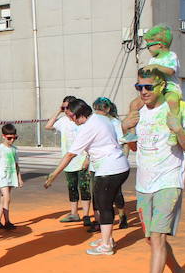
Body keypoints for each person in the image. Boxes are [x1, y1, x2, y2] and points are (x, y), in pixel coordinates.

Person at [122, 67, 185, 273]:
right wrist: (126, 128)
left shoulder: (181, 109)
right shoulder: (139, 111)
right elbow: (135, 146)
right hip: (144, 184)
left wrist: (178, 130)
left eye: (148, 87)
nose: (143, 91)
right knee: (150, 239)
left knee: (157, 238)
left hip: (169, 181)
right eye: (139, 87)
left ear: (161, 87)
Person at [44, 99, 130, 255]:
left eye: (71, 116)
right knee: (104, 204)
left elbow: (70, 154)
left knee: (104, 207)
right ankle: (107, 239)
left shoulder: (88, 128)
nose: (70, 119)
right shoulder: (101, 118)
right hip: (118, 166)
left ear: (79, 115)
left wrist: (53, 175)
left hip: (109, 169)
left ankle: (106, 246)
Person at [45, 96, 91, 225]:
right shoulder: (63, 121)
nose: (65, 110)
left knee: (84, 188)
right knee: (72, 188)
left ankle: (86, 215)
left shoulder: (82, 120)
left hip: (82, 160)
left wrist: (87, 158)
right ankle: (74, 213)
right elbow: (48, 126)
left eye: (67, 108)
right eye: (63, 107)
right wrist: (58, 111)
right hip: (68, 161)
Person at [87, 98, 129, 232]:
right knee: (96, 194)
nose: (98, 111)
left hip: (112, 164)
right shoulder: (94, 121)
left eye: (101, 108)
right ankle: (98, 221)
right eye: (96, 108)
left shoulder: (115, 123)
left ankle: (122, 216)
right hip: (96, 165)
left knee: (116, 193)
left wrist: (123, 158)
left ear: (108, 109)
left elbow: (124, 142)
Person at [128, 25, 183, 121]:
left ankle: (175, 125)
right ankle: (132, 129)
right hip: (153, 90)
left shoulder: (171, 56)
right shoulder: (152, 60)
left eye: (149, 46)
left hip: (169, 88)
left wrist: (157, 67)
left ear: (160, 45)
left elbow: (171, 71)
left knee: (172, 101)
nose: (148, 48)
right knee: (134, 104)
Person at [0, 123, 22, 229]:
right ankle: (7, 222)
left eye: (14, 138)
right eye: (9, 138)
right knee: (7, 198)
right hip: (3, 177)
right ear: (3, 136)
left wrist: (19, 178)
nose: (12, 140)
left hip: (11, 176)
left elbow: (17, 165)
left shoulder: (14, 149)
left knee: (4, 199)